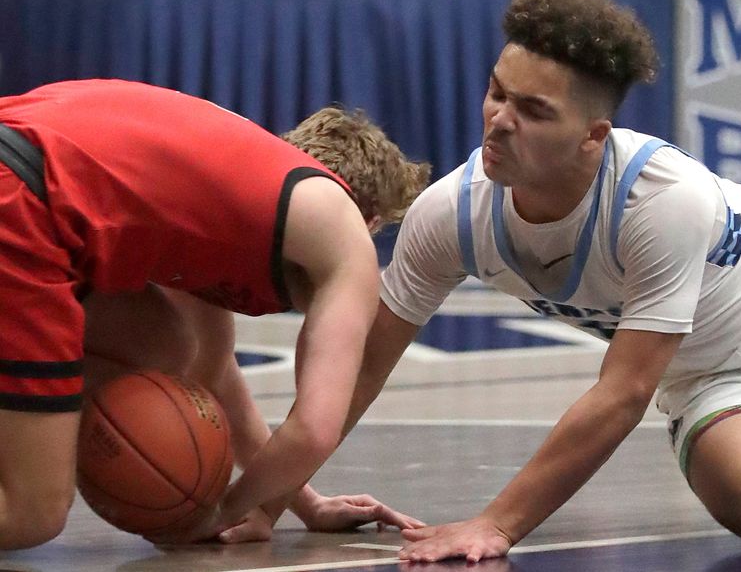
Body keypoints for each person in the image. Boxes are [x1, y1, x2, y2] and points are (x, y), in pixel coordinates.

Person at [322, 0, 741, 562]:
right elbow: (361, 367)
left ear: (592, 137)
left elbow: (623, 391)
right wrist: (271, 499)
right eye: (498, 93)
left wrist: (497, 523)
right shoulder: (452, 215)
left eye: (532, 111)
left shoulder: (660, 199)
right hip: (718, 377)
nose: (499, 121)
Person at [0, 78, 430, 549]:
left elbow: (215, 366)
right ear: (370, 221)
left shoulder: (237, 184)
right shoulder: (339, 226)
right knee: (32, 515)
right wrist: (225, 511)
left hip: (26, 167)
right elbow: (315, 427)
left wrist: (299, 501)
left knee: (164, 344)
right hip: (23, 197)